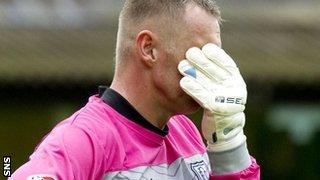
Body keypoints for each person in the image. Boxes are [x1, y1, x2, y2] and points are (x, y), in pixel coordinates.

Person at [11, 0, 260, 179]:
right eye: (200, 53)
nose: (210, 69)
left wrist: (228, 145)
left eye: (215, 56)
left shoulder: (187, 131)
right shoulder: (82, 140)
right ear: (148, 48)